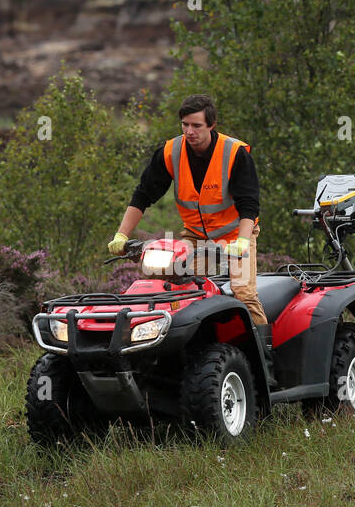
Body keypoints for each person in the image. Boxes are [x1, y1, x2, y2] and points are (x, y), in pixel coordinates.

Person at [110, 95, 269, 339]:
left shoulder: (234, 153)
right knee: (169, 286)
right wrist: (121, 235)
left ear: (212, 125)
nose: (189, 131)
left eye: (196, 126)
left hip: (236, 235)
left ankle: (264, 355)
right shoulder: (170, 152)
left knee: (243, 293)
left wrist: (243, 241)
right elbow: (143, 195)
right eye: (185, 125)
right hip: (194, 236)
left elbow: (249, 205)